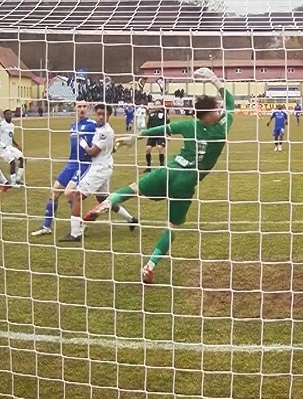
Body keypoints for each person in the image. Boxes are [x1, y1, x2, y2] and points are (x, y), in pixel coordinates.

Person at [87, 68, 233, 284]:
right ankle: (149, 266)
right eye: (216, 108)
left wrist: (135, 137)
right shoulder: (221, 128)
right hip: (185, 182)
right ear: (209, 114)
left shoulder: (190, 124)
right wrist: (214, 80)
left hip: (169, 170)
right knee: (171, 228)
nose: (220, 110)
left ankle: (105, 205)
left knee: (133, 189)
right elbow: (231, 104)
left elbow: (162, 128)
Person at [63, 104, 138, 241]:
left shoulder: (105, 132)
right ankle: (131, 219)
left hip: (99, 169)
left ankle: (75, 233)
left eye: (104, 114)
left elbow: (92, 152)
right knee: (104, 199)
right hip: (104, 167)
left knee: (76, 195)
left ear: (109, 116)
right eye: (98, 114)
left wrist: (82, 143)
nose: (100, 117)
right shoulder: (100, 129)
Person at [30, 100, 96, 237]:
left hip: (83, 164)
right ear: (75, 108)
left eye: (84, 106)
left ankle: (79, 224)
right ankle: (46, 226)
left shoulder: (92, 125)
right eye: (79, 107)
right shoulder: (73, 126)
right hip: (71, 164)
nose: (82, 109)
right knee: (54, 192)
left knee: (70, 193)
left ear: (88, 108)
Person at [0, 109, 26, 185]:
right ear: (4, 116)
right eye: (7, 114)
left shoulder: (12, 126)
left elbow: (11, 137)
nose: (9, 115)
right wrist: (1, 144)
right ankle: (13, 183)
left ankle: (18, 179)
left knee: (22, 159)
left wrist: (17, 145)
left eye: (10, 114)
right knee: (12, 163)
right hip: (3, 148)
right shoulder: (1, 125)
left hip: (10, 147)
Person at [143, 101, 168, 171]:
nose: (158, 106)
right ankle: (148, 167)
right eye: (156, 105)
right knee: (148, 149)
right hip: (152, 134)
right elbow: (148, 124)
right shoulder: (151, 114)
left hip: (161, 134)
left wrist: (168, 133)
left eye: (159, 105)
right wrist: (148, 131)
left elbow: (167, 123)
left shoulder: (164, 114)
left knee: (160, 148)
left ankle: (162, 166)